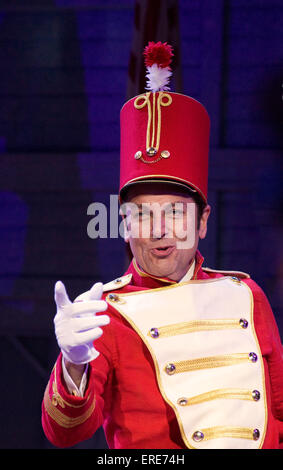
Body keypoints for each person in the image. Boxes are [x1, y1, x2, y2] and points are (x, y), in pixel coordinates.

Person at [42, 42, 283, 449]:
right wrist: (73, 364)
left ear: (202, 222)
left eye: (174, 212)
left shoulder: (247, 295)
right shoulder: (105, 314)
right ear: (123, 225)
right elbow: (65, 433)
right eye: (141, 215)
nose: (159, 230)